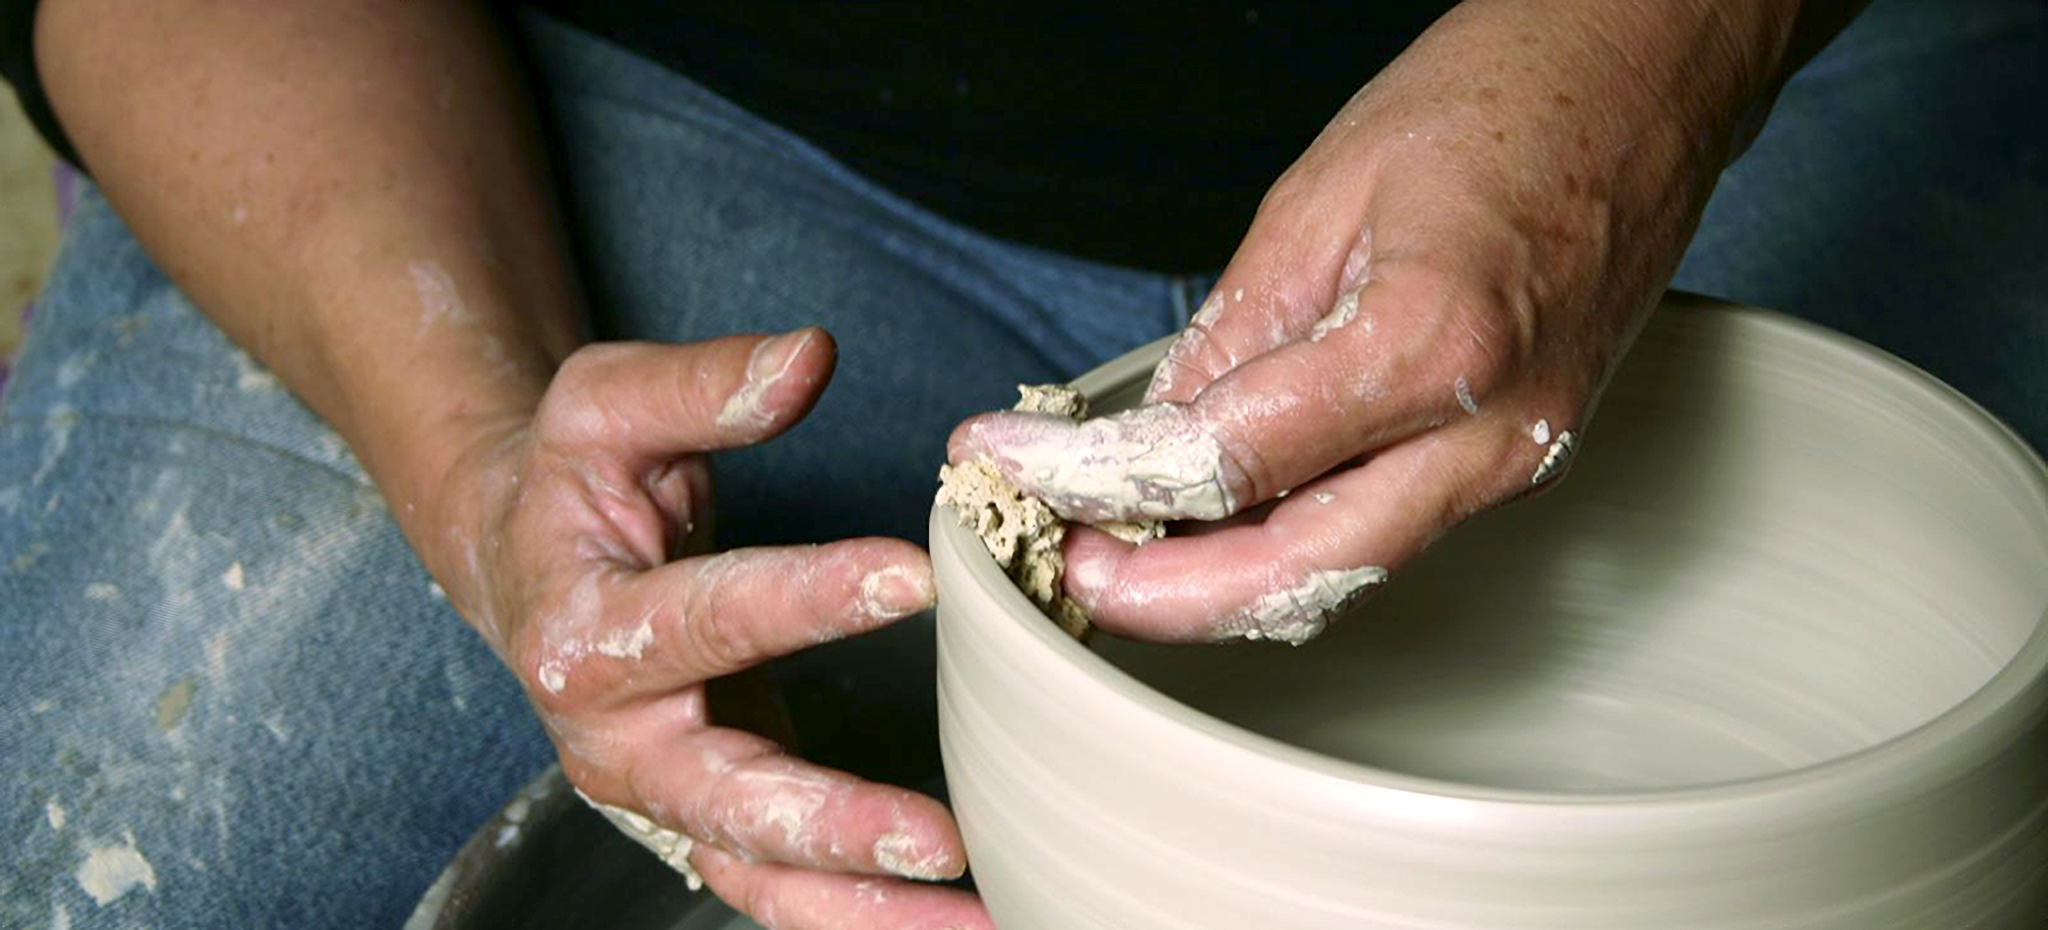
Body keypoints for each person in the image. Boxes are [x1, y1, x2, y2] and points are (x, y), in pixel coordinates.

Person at [2, 1, 2041, 928]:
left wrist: (1651, 60)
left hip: (1770, 59)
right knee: (172, 868)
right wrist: (475, 442)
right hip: (669, 98)